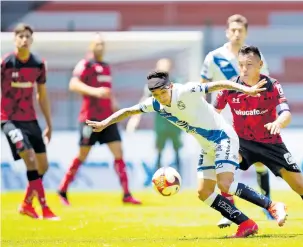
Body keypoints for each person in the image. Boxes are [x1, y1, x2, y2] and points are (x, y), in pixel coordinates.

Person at [86, 71, 288, 238]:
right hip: (207, 145)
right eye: (155, 95)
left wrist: (247, 89)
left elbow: (218, 84)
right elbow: (129, 111)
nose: (160, 98)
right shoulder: (156, 104)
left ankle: (272, 205)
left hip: (223, 137)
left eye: (162, 93)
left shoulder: (185, 91)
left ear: (170, 86)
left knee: (224, 184)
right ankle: (245, 223)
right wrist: (105, 123)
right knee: (203, 192)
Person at [214, 45, 303, 234]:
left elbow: (286, 113)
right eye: (241, 65)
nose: (244, 69)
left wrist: (279, 122)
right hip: (242, 142)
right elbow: (214, 112)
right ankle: (233, 215)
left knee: (300, 184)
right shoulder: (230, 87)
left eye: (249, 64)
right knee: (222, 170)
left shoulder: (271, 85)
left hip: (270, 142)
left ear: (260, 65)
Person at [200, 14, 273, 225]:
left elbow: (264, 85)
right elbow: (204, 86)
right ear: (227, 32)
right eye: (233, 30)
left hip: (249, 117)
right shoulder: (214, 57)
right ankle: (229, 213)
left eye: (240, 30)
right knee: (224, 163)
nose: (236, 33)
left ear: (246, 33)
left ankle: (267, 206)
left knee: (260, 162)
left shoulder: (256, 58)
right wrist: (204, 113)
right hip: (222, 119)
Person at [57, 33, 141, 205]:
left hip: (107, 119)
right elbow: (73, 84)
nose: (100, 47)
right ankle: (63, 189)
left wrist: (117, 108)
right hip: (90, 118)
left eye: (102, 44)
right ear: (91, 46)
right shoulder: (85, 64)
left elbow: (108, 93)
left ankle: (126, 194)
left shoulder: (106, 67)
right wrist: (95, 91)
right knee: (82, 155)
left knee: (119, 153)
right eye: (97, 44)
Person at [1, 23, 58, 220]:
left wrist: (49, 124)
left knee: (43, 165)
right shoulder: (5, 64)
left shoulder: (38, 64)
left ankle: (26, 204)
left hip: (30, 119)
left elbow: (42, 95)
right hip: (8, 119)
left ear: (32, 40)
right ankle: (45, 208)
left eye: (27, 36)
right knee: (30, 158)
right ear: (14, 39)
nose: (24, 39)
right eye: (21, 36)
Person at [126, 58, 182, 172]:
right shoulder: (152, 85)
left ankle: (180, 179)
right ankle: (158, 177)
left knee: (177, 151)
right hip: (161, 123)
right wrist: (135, 118)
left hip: (175, 124)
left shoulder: (176, 83)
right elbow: (143, 101)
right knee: (159, 151)